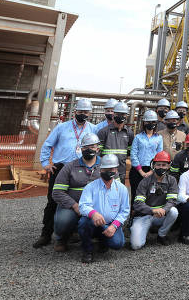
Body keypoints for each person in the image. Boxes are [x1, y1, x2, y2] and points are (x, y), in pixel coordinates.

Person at [34, 98, 96, 248]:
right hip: (60, 168)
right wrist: (45, 164)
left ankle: (71, 233)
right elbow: (47, 145)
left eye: (86, 112)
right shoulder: (62, 127)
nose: (84, 114)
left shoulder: (92, 129)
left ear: (90, 113)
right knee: (53, 201)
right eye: (81, 111)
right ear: (75, 112)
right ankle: (46, 234)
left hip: (81, 170)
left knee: (79, 200)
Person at [51, 132, 101, 252]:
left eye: (92, 147)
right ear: (81, 148)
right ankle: (62, 237)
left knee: (106, 216)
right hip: (73, 205)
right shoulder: (70, 167)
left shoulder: (106, 165)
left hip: (96, 206)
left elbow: (116, 189)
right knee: (64, 220)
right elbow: (57, 192)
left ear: (98, 149)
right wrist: (74, 205)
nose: (89, 149)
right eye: (85, 147)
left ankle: (100, 237)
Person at [77, 154, 130, 263]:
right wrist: (93, 213)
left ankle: (103, 240)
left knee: (118, 244)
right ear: (100, 169)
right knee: (84, 222)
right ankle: (87, 249)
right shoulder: (90, 187)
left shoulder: (122, 189)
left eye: (112, 169)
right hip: (93, 222)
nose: (109, 171)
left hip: (110, 224)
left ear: (116, 170)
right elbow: (83, 206)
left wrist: (114, 226)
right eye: (105, 169)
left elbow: (125, 211)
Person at [130, 151, 179, 249]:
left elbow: (172, 201)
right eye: (158, 165)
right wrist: (152, 210)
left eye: (164, 165)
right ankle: (140, 228)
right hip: (144, 216)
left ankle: (161, 235)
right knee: (136, 245)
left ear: (169, 166)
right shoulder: (145, 181)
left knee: (174, 211)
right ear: (154, 165)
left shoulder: (172, 180)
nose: (161, 167)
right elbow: (137, 203)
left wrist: (164, 210)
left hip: (160, 215)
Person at [130, 109, 163, 211]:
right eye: (148, 122)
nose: (151, 124)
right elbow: (133, 154)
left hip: (152, 170)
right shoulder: (138, 137)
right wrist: (140, 171)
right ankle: (133, 215)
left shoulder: (159, 138)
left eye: (153, 122)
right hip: (137, 170)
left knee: (149, 194)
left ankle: (147, 215)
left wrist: (151, 171)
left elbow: (159, 155)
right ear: (144, 122)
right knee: (136, 194)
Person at [96, 101, 133, 182]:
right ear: (113, 115)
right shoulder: (104, 132)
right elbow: (97, 153)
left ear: (126, 116)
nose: (120, 116)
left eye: (123, 114)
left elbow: (129, 153)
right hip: (106, 171)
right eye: (118, 114)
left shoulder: (129, 133)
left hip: (121, 171)